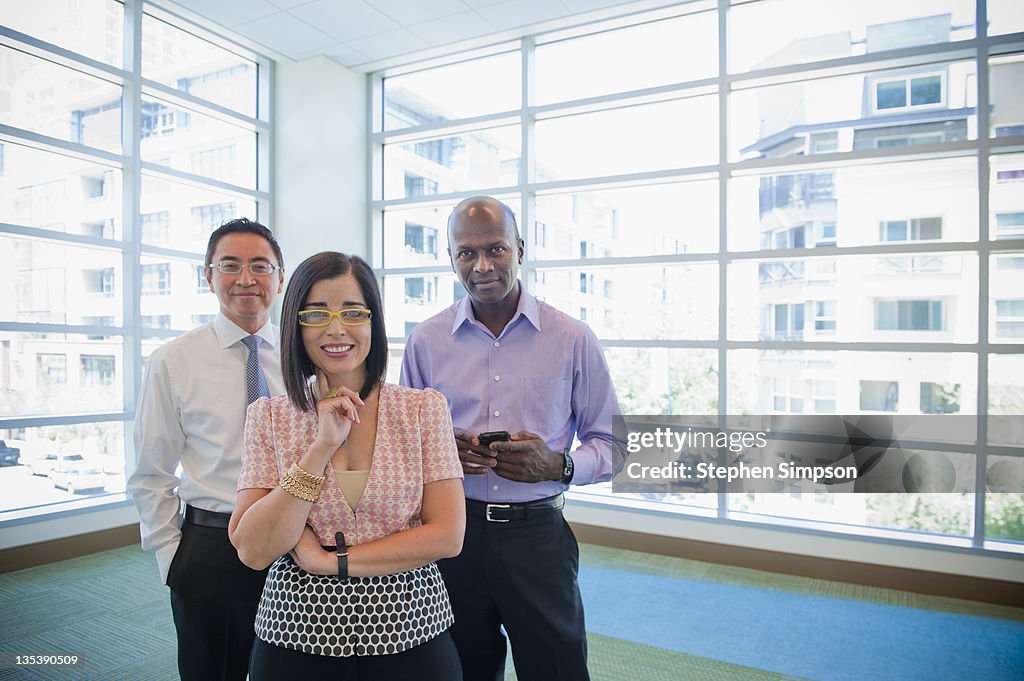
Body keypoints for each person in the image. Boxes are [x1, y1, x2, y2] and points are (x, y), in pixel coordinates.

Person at [401, 196, 623, 681]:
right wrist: (437, 450)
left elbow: (612, 445)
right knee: (460, 670)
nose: (482, 266)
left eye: (496, 249)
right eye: (467, 253)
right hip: (451, 535)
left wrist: (557, 465)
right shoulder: (425, 340)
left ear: (520, 249)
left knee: (557, 669)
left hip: (537, 539)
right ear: (451, 258)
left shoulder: (571, 338)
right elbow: (402, 445)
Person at [228, 251, 465, 680]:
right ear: (296, 326)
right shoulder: (270, 417)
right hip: (297, 636)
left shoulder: (422, 410)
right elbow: (254, 548)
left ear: (373, 320)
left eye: (353, 312)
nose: (336, 328)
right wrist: (319, 449)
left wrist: (328, 561)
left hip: (411, 633)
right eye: (316, 314)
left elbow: (448, 537)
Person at [128, 218, 286, 681]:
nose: (246, 279)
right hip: (212, 545)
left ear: (279, 275)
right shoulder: (174, 360)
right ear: (208, 276)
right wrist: (169, 557)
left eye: (260, 265)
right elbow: (149, 470)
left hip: (296, 543)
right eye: (230, 265)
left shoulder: (305, 356)